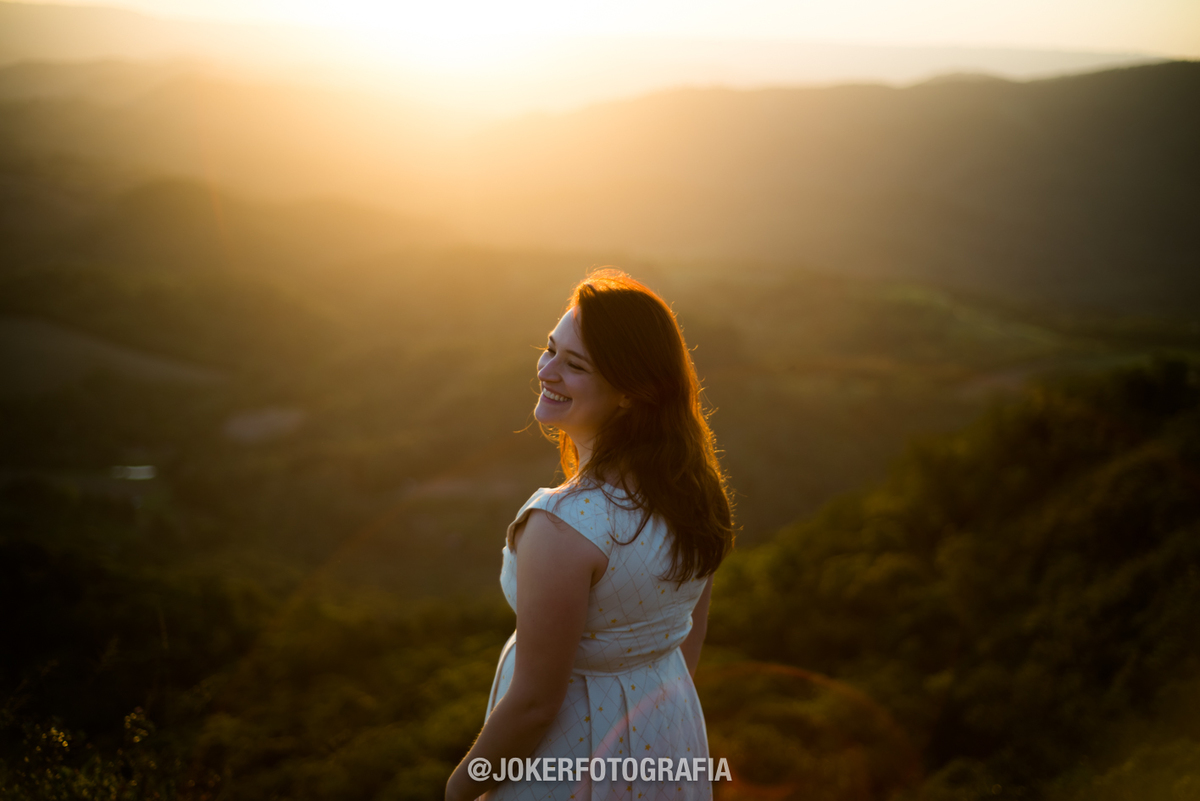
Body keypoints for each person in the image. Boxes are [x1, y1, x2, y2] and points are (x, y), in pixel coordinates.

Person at [445, 269, 735, 801]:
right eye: (550, 350)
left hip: (572, 757)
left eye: (573, 365)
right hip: (666, 734)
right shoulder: (692, 491)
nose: (547, 371)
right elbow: (686, 634)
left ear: (629, 393)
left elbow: (534, 705)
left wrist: (461, 788)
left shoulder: (561, 527)